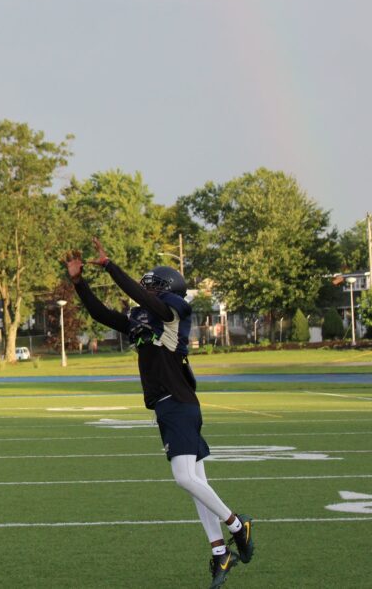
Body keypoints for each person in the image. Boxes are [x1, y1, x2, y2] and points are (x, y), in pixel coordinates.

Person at [64, 238, 255, 588]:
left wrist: (110, 265)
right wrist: (79, 283)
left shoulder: (172, 313)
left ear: (166, 290)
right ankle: (219, 553)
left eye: (151, 285)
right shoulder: (144, 320)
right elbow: (101, 314)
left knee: (184, 478)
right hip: (171, 404)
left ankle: (237, 525)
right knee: (197, 483)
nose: (145, 289)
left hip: (177, 403)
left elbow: (144, 299)